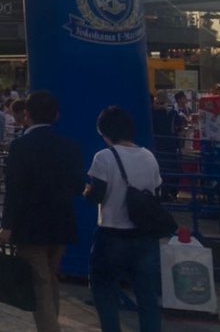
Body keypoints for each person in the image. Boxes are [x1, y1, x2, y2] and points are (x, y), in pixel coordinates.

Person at [0, 92, 83, 332]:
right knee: (50, 278)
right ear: (56, 115)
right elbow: (77, 186)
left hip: (30, 224)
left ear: (26, 114)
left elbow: (15, 188)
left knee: (40, 283)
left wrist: (7, 225)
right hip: (61, 222)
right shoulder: (70, 146)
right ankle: (51, 322)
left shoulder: (21, 146)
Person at [84, 106, 163, 332]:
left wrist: (85, 190)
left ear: (104, 131)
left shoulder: (104, 157)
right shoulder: (149, 156)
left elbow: (96, 196)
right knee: (147, 296)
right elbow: (157, 192)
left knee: (104, 290)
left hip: (112, 234)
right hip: (144, 235)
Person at [152, 93, 186, 201]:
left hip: (157, 145)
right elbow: (180, 129)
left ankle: (161, 193)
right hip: (171, 145)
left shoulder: (152, 113)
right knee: (172, 169)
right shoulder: (173, 113)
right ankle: (172, 193)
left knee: (160, 169)